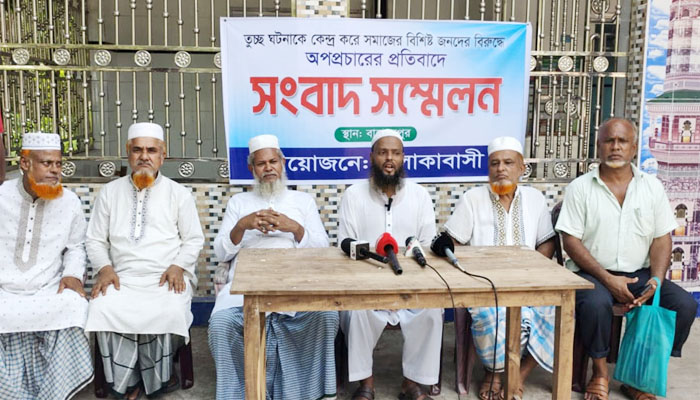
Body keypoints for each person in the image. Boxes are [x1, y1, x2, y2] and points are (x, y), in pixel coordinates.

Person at [556, 118, 698, 400]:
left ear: (634, 148)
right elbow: (570, 241)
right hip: (591, 273)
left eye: (622, 141)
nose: (616, 147)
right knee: (595, 304)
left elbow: (661, 238)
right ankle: (599, 372)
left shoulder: (652, 187)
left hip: (639, 274)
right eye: (609, 141)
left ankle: (639, 375)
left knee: (683, 305)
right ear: (599, 146)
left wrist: (656, 280)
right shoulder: (580, 187)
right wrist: (608, 279)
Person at [208, 134, 338, 400]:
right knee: (221, 323)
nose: (268, 168)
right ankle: (240, 394)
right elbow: (221, 251)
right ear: (252, 169)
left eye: (273, 162)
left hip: (295, 285)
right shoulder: (239, 203)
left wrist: (295, 228)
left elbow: (322, 248)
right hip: (246, 286)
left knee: (326, 316)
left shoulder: (303, 201)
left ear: (282, 163)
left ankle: (308, 391)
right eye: (261, 163)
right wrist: (242, 225)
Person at [85, 122, 204, 400]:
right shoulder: (110, 192)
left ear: (163, 155)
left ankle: (158, 376)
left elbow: (193, 240)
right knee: (102, 306)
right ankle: (125, 380)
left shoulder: (178, 194)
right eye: (137, 150)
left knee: (170, 307)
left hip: (166, 275)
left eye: (151, 150)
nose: (144, 156)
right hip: (121, 277)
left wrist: (178, 266)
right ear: (128, 154)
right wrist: (104, 268)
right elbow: (94, 239)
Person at [443, 136, 556, 400]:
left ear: (521, 167)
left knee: (557, 313)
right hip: (486, 285)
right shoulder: (472, 199)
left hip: (528, 282)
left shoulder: (535, 199)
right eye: (494, 163)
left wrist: (535, 270)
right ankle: (494, 371)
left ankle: (519, 374)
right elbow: (453, 242)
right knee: (492, 316)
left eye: (508, 163)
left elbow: (547, 241)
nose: (500, 169)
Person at [337, 129, 441, 400]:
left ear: (403, 157)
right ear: (371, 157)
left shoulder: (419, 196)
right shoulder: (353, 195)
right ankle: (366, 384)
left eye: (395, 153)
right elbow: (346, 246)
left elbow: (426, 246)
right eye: (383, 152)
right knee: (356, 312)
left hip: (412, 286)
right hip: (366, 286)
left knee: (432, 311)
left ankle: (412, 384)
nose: (389, 159)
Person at [0, 132, 92, 399]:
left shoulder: (69, 202)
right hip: (4, 288)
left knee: (74, 306)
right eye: (46, 163)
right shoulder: (1, 196)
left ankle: (53, 393)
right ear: (25, 163)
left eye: (58, 164)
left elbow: (76, 247)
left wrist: (72, 275)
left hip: (47, 287)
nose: (55, 171)